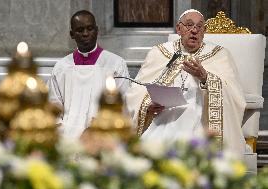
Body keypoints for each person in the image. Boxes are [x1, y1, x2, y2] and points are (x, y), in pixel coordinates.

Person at [125, 9, 246, 156]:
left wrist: (205, 77)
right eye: (189, 25)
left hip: (201, 119)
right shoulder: (160, 52)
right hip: (165, 118)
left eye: (200, 26)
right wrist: (147, 107)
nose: (194, 30)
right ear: (179, 29)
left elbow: (235, 95)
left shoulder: (220, 55)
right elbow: (136, 93)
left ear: (204, 31)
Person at [48, 10, 130, 140]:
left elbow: (125, 104)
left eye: (90, 28)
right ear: (72, 34)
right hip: (66, 137)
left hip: (103, 134)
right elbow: (53, 107)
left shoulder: (115, 64)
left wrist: (101, 127)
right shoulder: (61, 67)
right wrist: (65, 133)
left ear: (97, 30)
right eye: (80, 30)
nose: (85, 34)